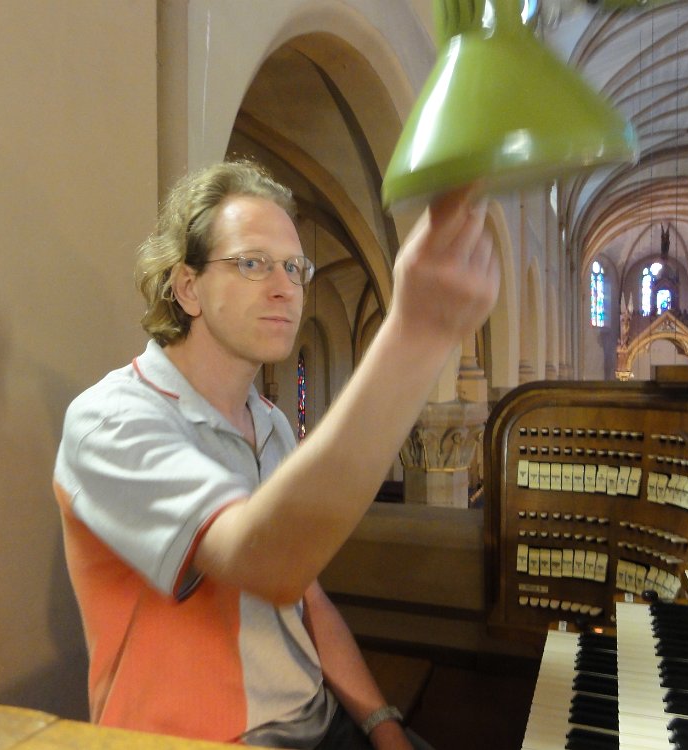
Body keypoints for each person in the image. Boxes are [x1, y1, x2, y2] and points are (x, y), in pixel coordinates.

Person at [53, 160, 499, 749]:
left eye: (293, 267)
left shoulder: (270, 423)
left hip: (317, 721)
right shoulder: (112, 419)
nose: (285, 287)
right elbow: (266, 561)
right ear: (187, 288)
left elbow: (306, 595)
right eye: (252, 263)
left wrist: (383, 724)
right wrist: (415, 334)